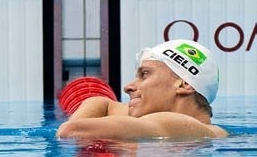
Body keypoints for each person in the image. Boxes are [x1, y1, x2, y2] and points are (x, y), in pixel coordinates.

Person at [56, 39, 228, 140]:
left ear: (184, 85)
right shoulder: (202, 132)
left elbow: (70, 131)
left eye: (145, 74)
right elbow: (104, 104)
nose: (128, 87)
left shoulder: (181, 125)